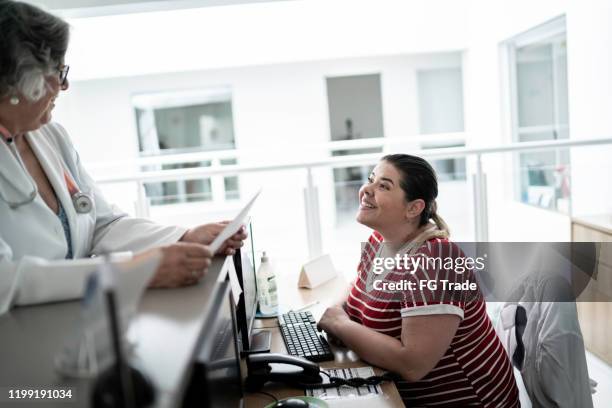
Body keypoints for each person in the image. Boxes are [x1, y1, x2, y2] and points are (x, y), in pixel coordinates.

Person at [0, 0, 246, 315]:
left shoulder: (51, 137)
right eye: (58, 72)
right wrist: (130, 271)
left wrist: (184, 236)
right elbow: (6, 280)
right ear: (19, 81)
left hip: (80, 321)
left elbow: (102, 224)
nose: (65, 85)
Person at [317, 154, 520, 407]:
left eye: (383, 186)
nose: (366, 190)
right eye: (371, 180)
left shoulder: (435, 261)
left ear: (413, 208)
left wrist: (340, 325)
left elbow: (413, 364)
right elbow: (354, 287)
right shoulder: (379, 242)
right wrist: (336, 311)